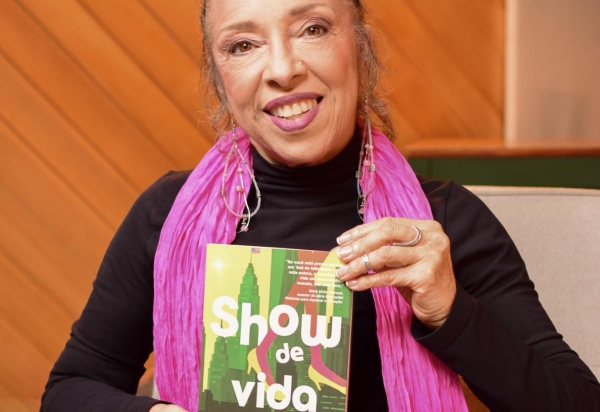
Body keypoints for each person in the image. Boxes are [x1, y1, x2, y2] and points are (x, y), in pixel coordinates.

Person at [41, 0, 600, 411]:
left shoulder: (439, 223)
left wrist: (450, 311)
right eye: (242, 45)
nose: (282, 68)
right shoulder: (168, 216)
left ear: (360, 47)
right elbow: (69, 390)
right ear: (220, 77)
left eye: (312, 29)